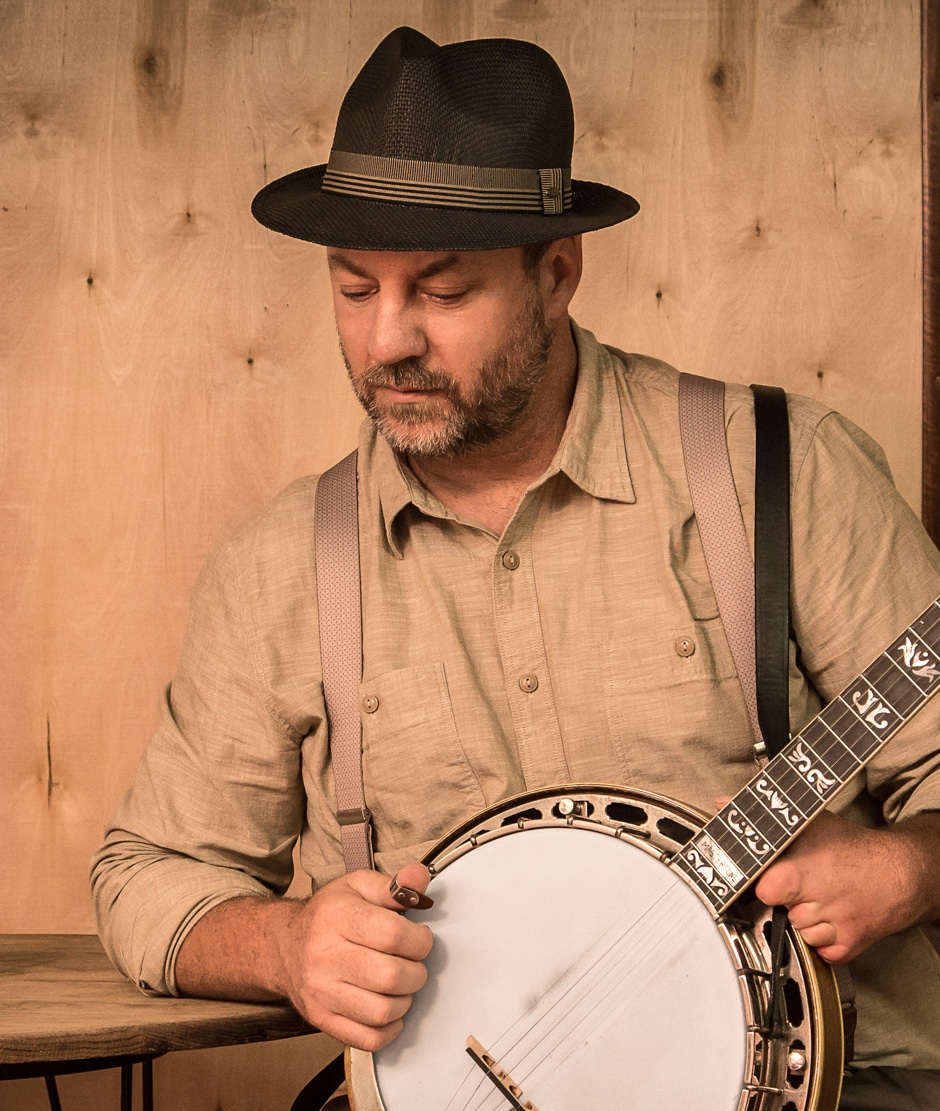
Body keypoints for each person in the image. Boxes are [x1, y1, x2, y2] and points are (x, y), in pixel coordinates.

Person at [92, 26, 940, 1110]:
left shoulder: (778, 474)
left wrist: (910, 870)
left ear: (558, 273)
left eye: (441, 293)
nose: (386, 339)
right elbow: (143, 873)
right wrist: (287, 941)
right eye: (355, 289)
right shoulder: (284, 569)